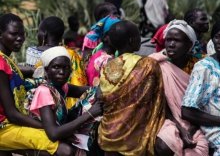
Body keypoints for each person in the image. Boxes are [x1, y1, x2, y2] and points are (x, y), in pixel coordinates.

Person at [0, 13, 73, 156]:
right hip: (5, 127)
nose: (20, 38)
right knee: (64, 149)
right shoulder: (1, 64)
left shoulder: (6, 60)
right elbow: (12, 114)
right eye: (14, 34)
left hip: (10, 124)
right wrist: (47, 127)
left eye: (22, 34)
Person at [98, 20, 165, 156]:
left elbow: (103, 96)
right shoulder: (148, 65)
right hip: (135, 137)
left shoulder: (108, 66)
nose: (141, 38)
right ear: (131, 40)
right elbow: (157, 97)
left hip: (110, 133)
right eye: (138, 35)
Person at [27, 46, 103, 155]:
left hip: (58, 132)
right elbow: (53, 133)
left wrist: (100, 89)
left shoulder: (62, 87)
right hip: (45, 137)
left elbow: (90, 90)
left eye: (66, 67)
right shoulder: (44, 91)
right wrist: (89, 114)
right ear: (47, 70)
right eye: (56, 67)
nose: (62, 72)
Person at [149, 20, 208, 156]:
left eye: (177, 40)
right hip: (166, 117)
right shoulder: (156, 64)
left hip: (196, 120)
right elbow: (160, 103)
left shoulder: (200, 66)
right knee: (165, 145)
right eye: (168, 39)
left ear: (189, 45)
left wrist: (193, 127)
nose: (171, 44)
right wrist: (180, 128)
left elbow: (205, 101)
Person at [25, 16, 87, 108]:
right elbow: (78, 81)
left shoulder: (32, 51)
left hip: (39, 104)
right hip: (68, 104)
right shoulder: (71, 54)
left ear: (44, 33)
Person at [182, 21, 220, 156]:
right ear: (213, 40)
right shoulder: (205, 67)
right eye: (217, 37)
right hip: (215, 130)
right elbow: (187, 111)